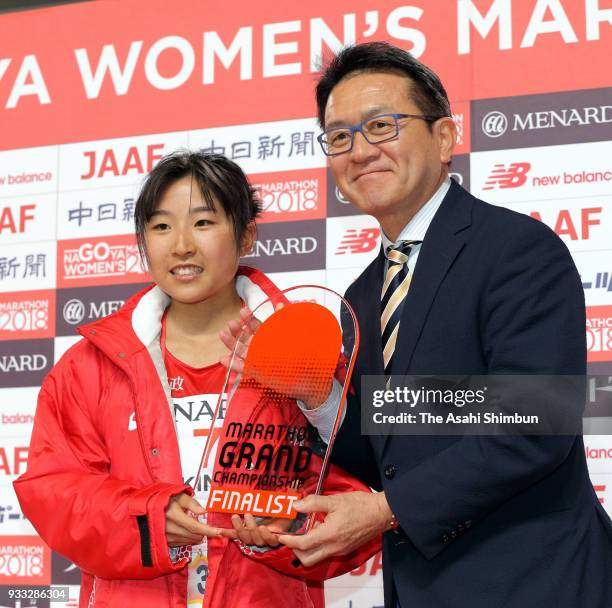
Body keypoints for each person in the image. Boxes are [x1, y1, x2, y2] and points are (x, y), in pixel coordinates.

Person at [278, 42, 612, 607]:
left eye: (381, 126)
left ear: (443, 137)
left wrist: (385, 511)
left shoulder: (516, 250)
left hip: (536, 582)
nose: (359, 151)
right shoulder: (362, 294)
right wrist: (319, 397)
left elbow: (532, 425)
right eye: (339, 137)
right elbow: (394, 450)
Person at [14, 151, 377, 608]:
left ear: (245, 235)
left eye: (203, 223)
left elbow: (360, 489)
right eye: (161, 227)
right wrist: (147, 518)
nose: (181, 245)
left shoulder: (305, 358)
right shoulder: (89, 367)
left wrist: (286, 529)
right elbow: (55, 492)